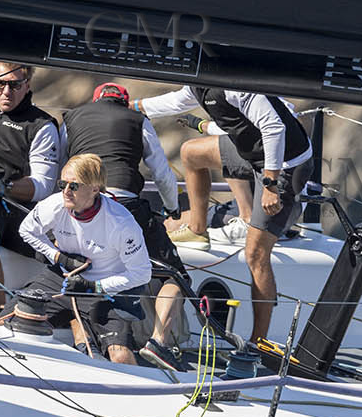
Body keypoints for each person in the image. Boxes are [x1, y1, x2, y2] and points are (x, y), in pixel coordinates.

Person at [133, 86, 312, 345]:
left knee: (256, 254)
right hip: (253, 154)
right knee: (191, 153)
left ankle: (257, 342)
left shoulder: (236, 85)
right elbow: (176, 101)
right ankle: (197, 228)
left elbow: (274, 127)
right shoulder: (199, 82)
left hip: (284, 167)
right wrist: (133, 105)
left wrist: (271, 184)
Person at [59, 83, 189, 371]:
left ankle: (86, 339)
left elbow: (62, 164)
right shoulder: (137, 119)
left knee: (82, 269)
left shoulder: (71, 117)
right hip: (126, 207)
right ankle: (158, 342)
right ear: (125, 103)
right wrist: (172, 208)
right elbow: (163, 174)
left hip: (81, 207)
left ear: (95, 101)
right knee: (173, 275)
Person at [16, 153, 151, 365]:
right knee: (9, 324)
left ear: (95, 189)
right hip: (62, 277)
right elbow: (27, 230)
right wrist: (58, 256)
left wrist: (94, 286)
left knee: (120, 357)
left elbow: (142, 273)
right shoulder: (54, 205)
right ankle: (76, 328)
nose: (66, 192)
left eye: (74, 186)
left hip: (104, 290)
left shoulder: (121, 223)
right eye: (62, 184)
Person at [0, 60, 61, 311]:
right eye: (0, 84)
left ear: (27, 85)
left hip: (13, 206)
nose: (7, 92)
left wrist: (0, 187)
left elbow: (43, 185)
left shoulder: (42, 125)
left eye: (15, 85)